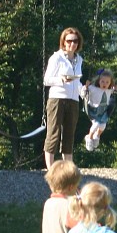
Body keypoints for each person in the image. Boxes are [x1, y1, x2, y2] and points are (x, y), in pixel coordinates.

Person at [42, 27, 84, 169]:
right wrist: (61, 80)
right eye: (69, 41)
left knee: (69, 135)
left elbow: (77, 82)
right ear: (64, 42)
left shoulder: (79, 60)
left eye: (75, 41)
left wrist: (83, 91)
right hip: (57, 98)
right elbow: (46, 80)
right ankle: (51, 169)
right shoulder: (56, 58)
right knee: (53, 133)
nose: (72, 44)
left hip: (73, 100)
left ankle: (68, 169)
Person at [82, 68, 117, 152]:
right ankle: (89, 137)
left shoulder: (109, 90)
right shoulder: (93, 88)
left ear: (110, 83)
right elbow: (83, 92)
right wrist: (86, 86)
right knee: (96, 124)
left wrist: (116, 88)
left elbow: (115, 91)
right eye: (102, 82)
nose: (104, 84)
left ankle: (97, 136)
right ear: (99, 81)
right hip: (94, 110)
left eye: (107, 82)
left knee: (103, 125)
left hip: (103, 111)